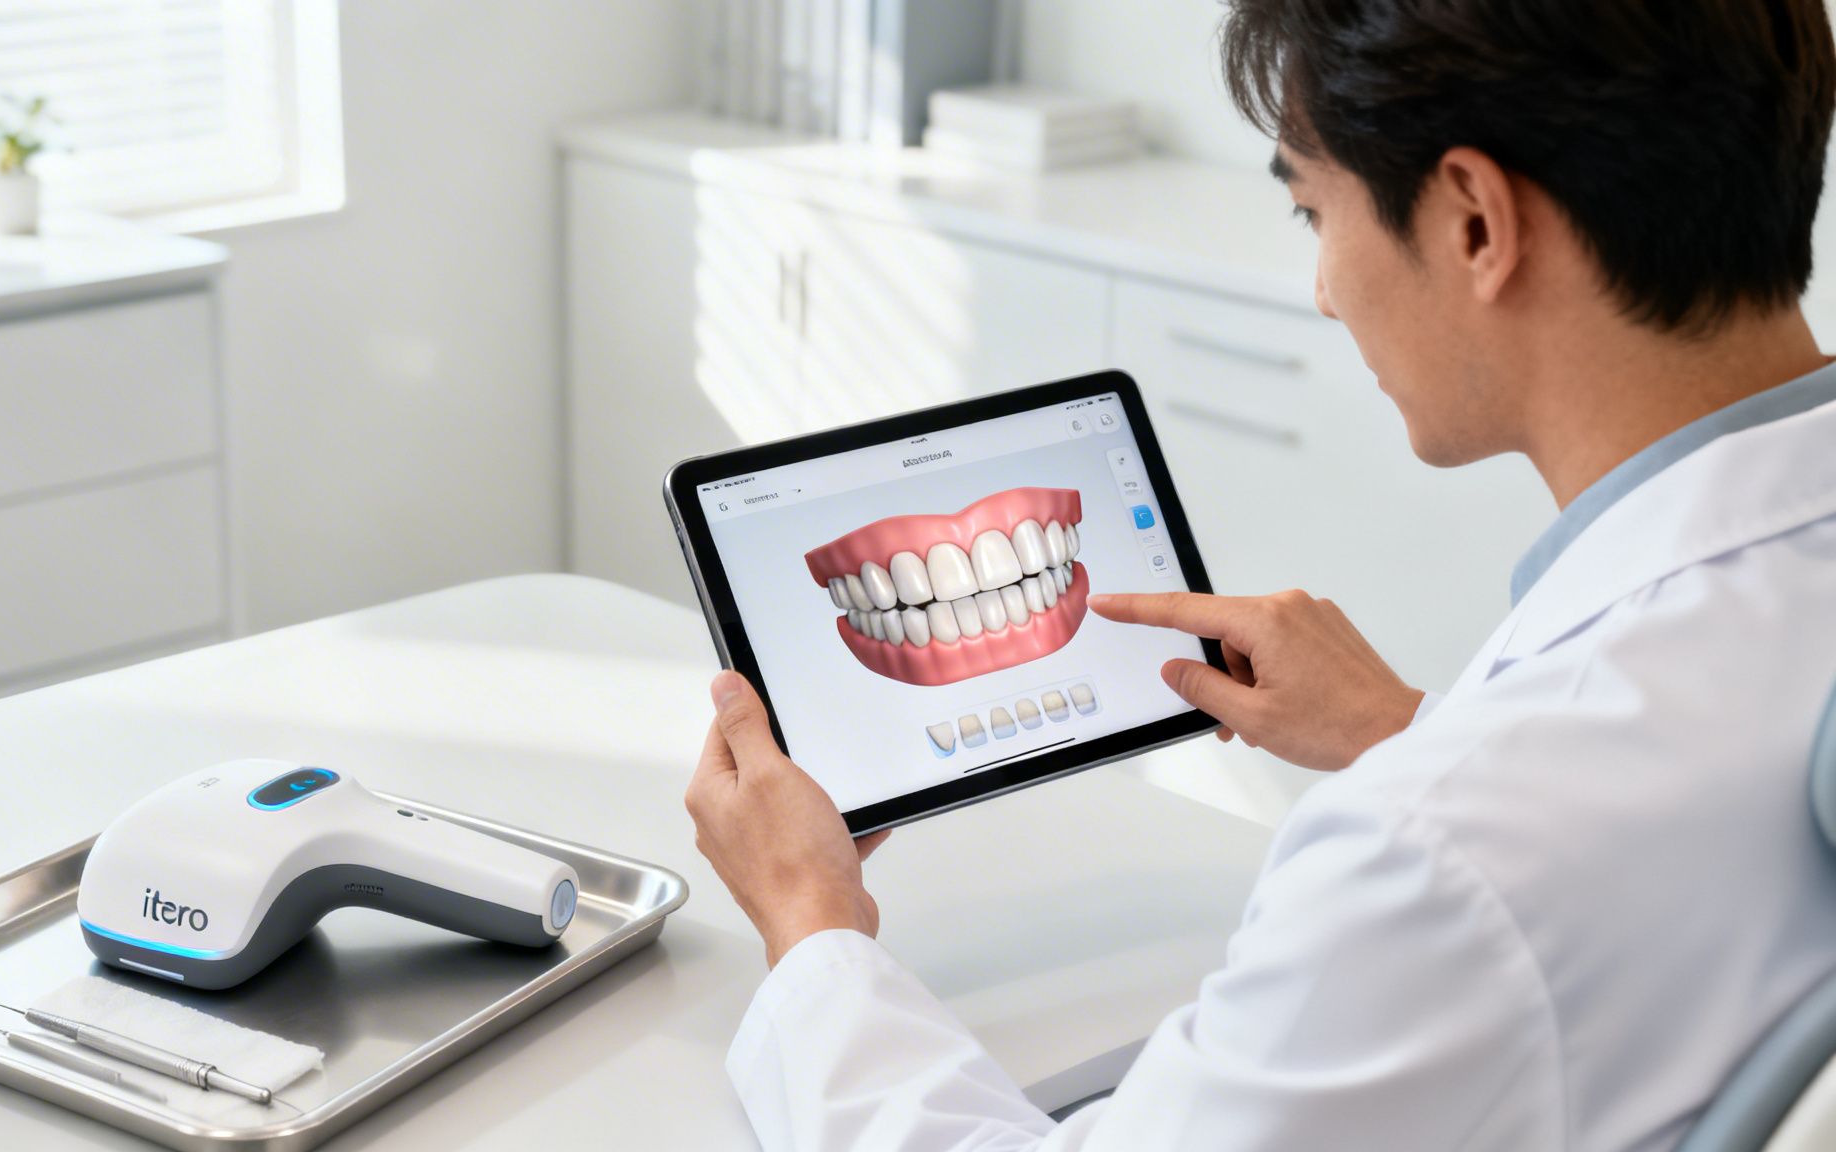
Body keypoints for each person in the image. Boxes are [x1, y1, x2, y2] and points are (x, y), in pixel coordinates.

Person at [683, 0, 1836, 1148]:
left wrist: (810, 927)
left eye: (1310, 210)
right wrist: (1405, 733)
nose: (1325, 289)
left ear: (1475, 224)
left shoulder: (1437, 855)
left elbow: (1504, 864)